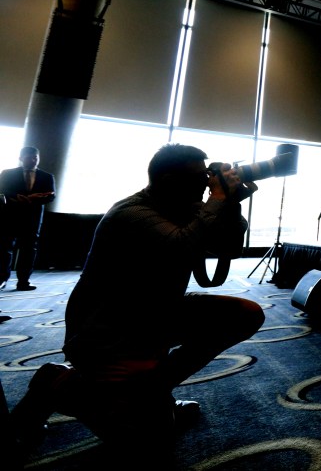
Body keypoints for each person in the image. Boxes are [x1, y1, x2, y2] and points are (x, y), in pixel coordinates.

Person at [9, 143, 266, 466]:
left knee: (245, 315)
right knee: (148, 446)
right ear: (171, 181)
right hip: (108, 334)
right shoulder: (132, 213)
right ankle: (58, 382)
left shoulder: (181, 207)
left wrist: (231, 206)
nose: (207, 184)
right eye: (200, 179)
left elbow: (227, 246)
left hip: (154, 315)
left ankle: (151, 391)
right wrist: (216, 201)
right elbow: (181, 247)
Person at [0, 146, 56, 291]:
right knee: (5, 249)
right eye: (29, 157)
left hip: (33, 218)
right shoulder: (7, 173)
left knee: (29, 249)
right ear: (20, 158)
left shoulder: (46, 176)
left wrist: (36, 198)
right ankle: (2, 279)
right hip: (10, 216)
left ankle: (23, 281)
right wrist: (17, 197)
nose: (33, 160)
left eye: (35, 158)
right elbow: (2, 190)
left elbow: (51, 195)